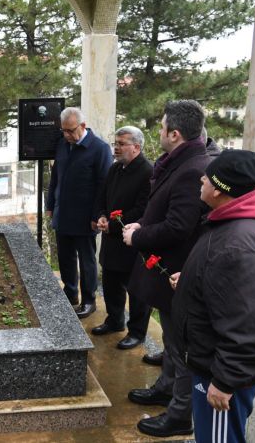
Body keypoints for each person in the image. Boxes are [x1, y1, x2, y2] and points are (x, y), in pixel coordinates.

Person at [171, 150, 255, 443]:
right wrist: (194, 281)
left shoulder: (239, 244)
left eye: (207, 177)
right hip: (216, 365)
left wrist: (224, 381)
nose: (201, 179)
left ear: (219, 189)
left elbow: (248, 324)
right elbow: (230, 289)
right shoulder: (236, 224)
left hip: (220, 374)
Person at [123, 100, 212, 438]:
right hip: (166, 272)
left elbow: (178, 227)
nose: (158, 133)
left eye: (161, 128)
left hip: (175, 273)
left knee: (180, 347)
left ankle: (179, 415)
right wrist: (142, 224)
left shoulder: (191, 169)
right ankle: (166, 388)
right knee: (172, 342)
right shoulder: (181, 162)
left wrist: (138, 236)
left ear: (174, 134)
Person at [45, 107, 113, 318]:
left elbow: (103, 185)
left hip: (85, 217)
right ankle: (70, 293)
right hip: (63, 213)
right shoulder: (63, 144)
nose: (66, 135)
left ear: (83, 126)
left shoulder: (100, 148)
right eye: (63, 131)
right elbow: (56, 176)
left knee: (86, 260)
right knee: (65, 257)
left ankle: (89, 300)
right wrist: (50, 204)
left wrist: (97, 215)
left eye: (70, 131)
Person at [93, 126, 152, 350]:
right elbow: (103, 196)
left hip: (131, 241)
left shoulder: (148, 172)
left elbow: (142, 209)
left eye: (121, 144)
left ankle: (137, 332)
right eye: (115, 143)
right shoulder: (115, 168)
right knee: (110, 283)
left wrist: (114, 225)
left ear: (136, 147)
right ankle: (114, 320)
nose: (116, 148)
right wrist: (101, 215)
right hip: (111, 239)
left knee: (136, 290)